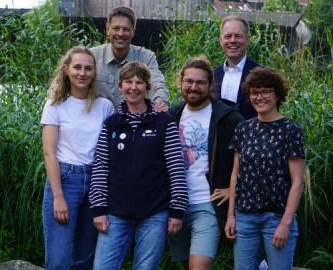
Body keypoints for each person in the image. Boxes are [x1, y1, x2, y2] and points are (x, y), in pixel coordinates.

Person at [89, 61, 188, 270]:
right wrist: (98, 208)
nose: (133, 87)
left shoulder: (164, 122)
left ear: (147, 87)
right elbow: (100, 167)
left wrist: (176, 210)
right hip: (115, 212)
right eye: (128, 82)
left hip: (155, 212)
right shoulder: (112, 123)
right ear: (120, 86)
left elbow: (176, 168)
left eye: (139, 82)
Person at [41, 46, 114, 269]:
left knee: (84, 259)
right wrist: (58, 196)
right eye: (77, 67)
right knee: (58, 259)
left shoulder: (105, 106)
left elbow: (110, 152)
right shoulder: (55, 105)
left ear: (94, 73)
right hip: (65, 179)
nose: (82, 73)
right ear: (66, 70)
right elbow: (49, 153)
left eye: (88, 68)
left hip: (96, 183)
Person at [224, 67, 305, 269]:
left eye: (265, 91)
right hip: (245, 218)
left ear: (277, 94)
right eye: (254, 92)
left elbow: (297, 181)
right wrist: (231, 216)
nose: (259, 97)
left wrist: (286, 223)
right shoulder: (244, 129)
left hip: (276, 218)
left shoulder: (290, 131)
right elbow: (236, 175)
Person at [168, 56, 244, 270]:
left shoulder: (228, 118)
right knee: (186, 264)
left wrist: (233, 189)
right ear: (180, 83)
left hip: (207, 204)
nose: (194, 87)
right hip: (176, 205)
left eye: (200, 82)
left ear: (211, 85)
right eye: (188, 81)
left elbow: (250, 160)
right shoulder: (171, 116)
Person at [90, 6, 169, 111]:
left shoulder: (146, 57)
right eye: (116, 28)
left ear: (133, 31)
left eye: (126, 29)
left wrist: (160, 101)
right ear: (107, 30)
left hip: (133, 121)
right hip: (99, 121)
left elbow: (157, 83)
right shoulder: (92, 56)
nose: (120, 34)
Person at [213, 15, 261, 120]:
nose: (233, 40)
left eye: (238, 36)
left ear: (247, 40)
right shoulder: (212, 76)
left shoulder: (261, 74)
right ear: (221, 40)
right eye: (228, 36)